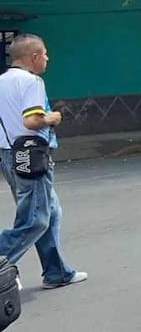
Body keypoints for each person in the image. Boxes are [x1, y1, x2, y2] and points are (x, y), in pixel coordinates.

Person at [0, 34, 86, 289]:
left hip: (8, 154)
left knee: (50, 212)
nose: (48, 59)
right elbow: (32, 120)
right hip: (31, 154)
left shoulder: (2, 81)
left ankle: (57, 272)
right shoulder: (31, 81)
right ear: (34, 57)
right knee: (35, 220)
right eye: (45, 54)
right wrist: (52, 117)